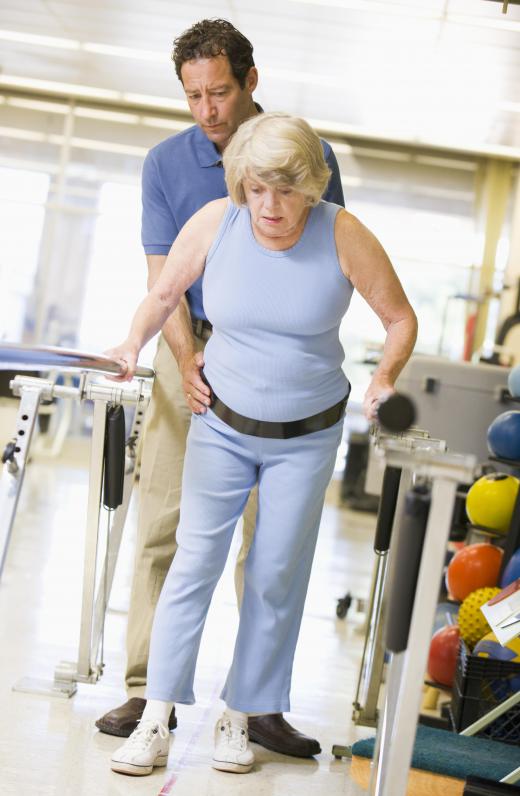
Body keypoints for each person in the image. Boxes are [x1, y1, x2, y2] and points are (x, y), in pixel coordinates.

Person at [106, 112, 418, 776]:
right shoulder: (215, 222)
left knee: (275, 575)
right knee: (193, 563)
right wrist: (133, 342)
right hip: (220, 423)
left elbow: (398, 316)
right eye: (257, 189)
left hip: (307, 437)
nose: (270, 207)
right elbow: (164, 293)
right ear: (241, 183)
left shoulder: (342, 231)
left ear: (312, 186)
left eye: (286, 190)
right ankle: (155, 718)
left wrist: (384, 378)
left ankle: (238, 717)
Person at [95, 18, 345, 758]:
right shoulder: (165, 163)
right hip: (189, 344)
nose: (207, 109)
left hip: (279, 359)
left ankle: (257, 704)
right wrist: (185, 355)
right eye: (193, 95)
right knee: (166, 522)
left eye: (221, 91)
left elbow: (328, 251)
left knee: (271, 544)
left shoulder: (304, 151)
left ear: (251, 82)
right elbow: (162, 275)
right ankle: (150, 692)